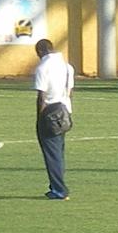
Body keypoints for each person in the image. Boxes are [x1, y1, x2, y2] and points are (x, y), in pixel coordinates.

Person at [33, 38, 75, 200]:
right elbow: (70, 91)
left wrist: (39, 117)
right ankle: (56, 186)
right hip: (64, 111)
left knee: (52, 154)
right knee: (58, 152)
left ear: (40, 51)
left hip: (49, 112)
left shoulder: (43, 68)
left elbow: (41, 96)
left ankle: (59, 189)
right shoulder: (66, 66)